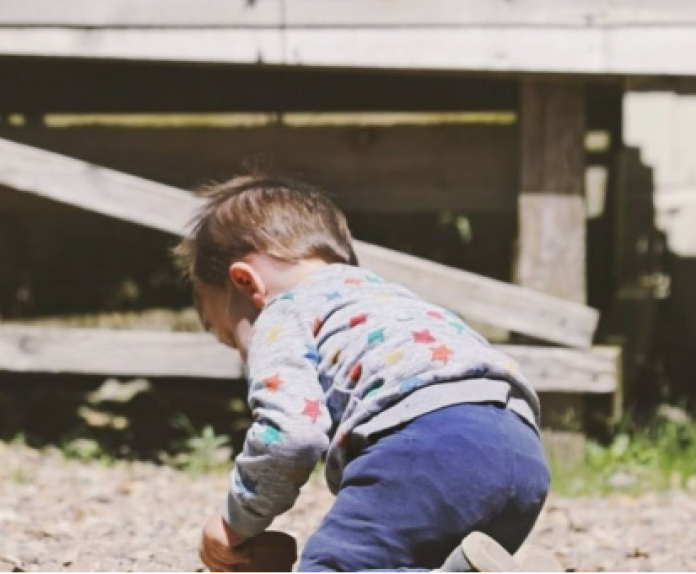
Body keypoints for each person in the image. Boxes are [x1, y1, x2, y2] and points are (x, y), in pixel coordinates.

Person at [176, 175, 551, 572]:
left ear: (246, 282)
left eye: (234, 339)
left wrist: (235, 521)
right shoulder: (386, 296)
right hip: (520, 450)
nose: (244, 359)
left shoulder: (282, 311)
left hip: (429, 445)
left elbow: (292, 435)